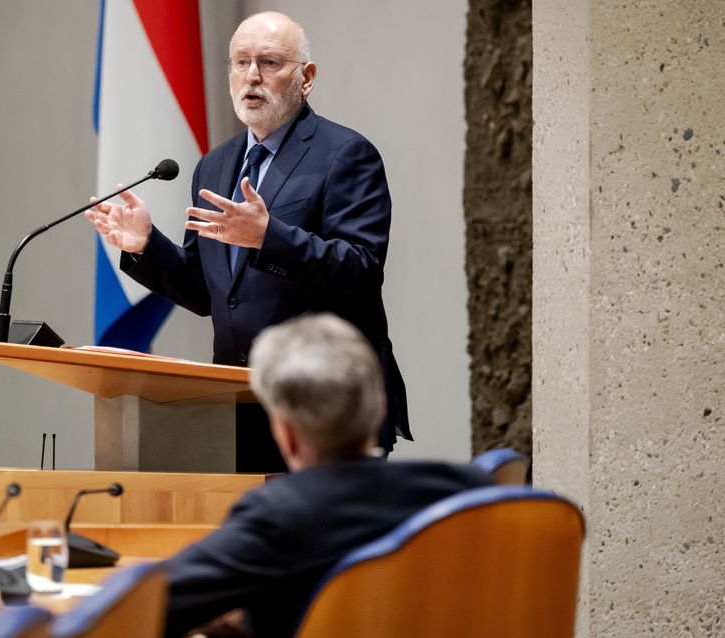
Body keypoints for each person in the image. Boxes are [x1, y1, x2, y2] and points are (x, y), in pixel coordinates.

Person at [86, 12, 409, 471]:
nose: (251, 76)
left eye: (270, 62)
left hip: (325, 404)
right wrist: (145, 246)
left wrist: (267, 237)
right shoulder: (215, 165)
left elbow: (359, 268)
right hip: (239, 404)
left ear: (307, 78)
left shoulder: (345, 154)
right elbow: (207, 292)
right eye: (240, 62)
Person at [154, 314, 491, 637]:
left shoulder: (277, 515)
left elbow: (146, 605)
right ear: (379, 408)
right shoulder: (470, 492)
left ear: (286, 433)